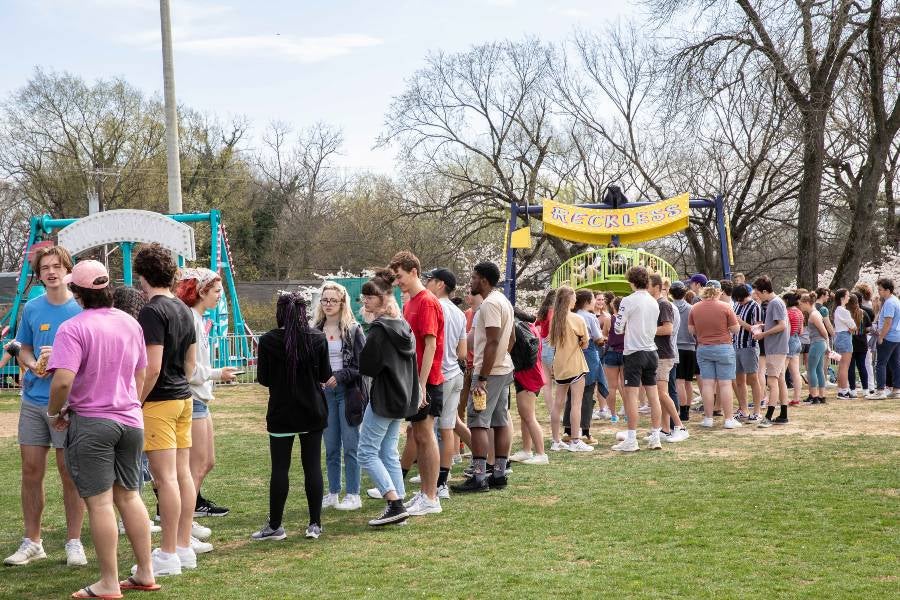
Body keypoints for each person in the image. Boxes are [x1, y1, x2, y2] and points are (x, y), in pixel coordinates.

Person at [44, 260, 159, 598]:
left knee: (99, 503)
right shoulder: (129, 322)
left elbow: (63, 381)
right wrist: (129, 403)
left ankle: (109, 582)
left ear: (77, 293)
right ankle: (145, 573)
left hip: (93, 422)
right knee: (129, 495)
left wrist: (54, 414)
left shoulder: (73, 327)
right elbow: (141, 373)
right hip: (130, 420)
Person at [5, 245, 87, 568]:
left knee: (69, 474)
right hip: (33, 401)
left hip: (68, 404)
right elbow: (23, 348)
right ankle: (33, 541)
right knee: (30, 471)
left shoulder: (81, 310)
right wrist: (32, 364)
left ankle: (74, 542)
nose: (51, 272)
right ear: (38, 275)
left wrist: (63, 364)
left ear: (68, 270)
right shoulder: (33, 308)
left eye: (57, 266)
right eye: (45, 268)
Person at [134, 243, 198, 575]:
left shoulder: (151, 311)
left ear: (142, 276)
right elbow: (190, 363)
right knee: (182, 475)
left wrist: (135, 400)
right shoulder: (184, 308)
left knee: (165, 479)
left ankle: (168, 554)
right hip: (183, 398)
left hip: (159, 401)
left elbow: (152, 367)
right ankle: (184, 548)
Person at [252, 292, 331, 541]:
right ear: (303, 312)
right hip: (312, 411)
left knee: (280, 469)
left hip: (281, 412)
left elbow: (264, 379)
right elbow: (324, 375)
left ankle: (275, 525)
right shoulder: (317, 338)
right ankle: (314, 524)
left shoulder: (267, 341)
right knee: (312, 467)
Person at [174, 268, 238, 524]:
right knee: (195, 467)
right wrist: (216, 373)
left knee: (206, 462)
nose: (219, 297)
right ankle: (182, 524)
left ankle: (187, 516)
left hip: (200, 398)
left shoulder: (198, 319)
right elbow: (188, 369)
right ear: (201, 292)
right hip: (192, 397)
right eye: (216, 292)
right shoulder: (190, 320)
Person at [357, 270, 420, 526]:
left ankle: (394, 502)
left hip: (384, 398)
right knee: (388, 452)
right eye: (364, 298)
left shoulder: (379, 330)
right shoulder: (403, 326)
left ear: (383, 298)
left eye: (370, 298)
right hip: (402, 397)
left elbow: (367, 366)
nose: (365, 302)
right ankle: (400, 506)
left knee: (366, 453)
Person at [452, 261, 517, 492]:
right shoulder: (504, 301)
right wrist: (500, 360)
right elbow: (512, 340)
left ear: (484, 280)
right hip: (503, 369)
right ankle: (498, 474)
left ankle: (479, 477)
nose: (471, 282)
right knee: (500, 421)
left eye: (474, 277)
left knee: (478, 422)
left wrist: (482, 378)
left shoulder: (489, 305)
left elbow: (492, 341)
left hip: (487, 372)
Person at [390, 251, 443, 516]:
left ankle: (432, 498)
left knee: (425, 435)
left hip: (428, 381)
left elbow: (431, 344)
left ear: (413, 272)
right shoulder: (410, 302)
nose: (397, 281)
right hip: (414, 381)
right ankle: (425, 493)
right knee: (419, 436)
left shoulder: (426, 302)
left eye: (399, 276)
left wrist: (421, 385)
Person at [312, 281, 366, 512]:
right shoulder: (314, 329)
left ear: (342, 302)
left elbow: (362, 365)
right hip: (324, 393)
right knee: (331, 446)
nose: (329, 304)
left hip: (348, 392)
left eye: (334, 300)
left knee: (351, 446)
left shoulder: (353, 329)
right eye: (325, 300)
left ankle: (353, 493)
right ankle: (333, 491)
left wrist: (341, 375)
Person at [424, 268, 468, 497]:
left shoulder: (432, 307)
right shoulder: (459, 313)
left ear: (440, 284)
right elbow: (463, 352)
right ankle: (442, 481)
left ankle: (430, 478)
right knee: (448, 428)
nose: (427, 284)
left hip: (436, 375)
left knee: (425, 429)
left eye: (429, 280)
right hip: (455, 374)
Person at [612, 266, 662, 452]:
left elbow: (618, 328)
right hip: (651, 351)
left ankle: (632, 439)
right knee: (653, 395)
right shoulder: (654, 301)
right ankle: (655, 436)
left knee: (631, 397)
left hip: (634, 352)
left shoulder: (628, 300)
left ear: (631, 282)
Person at [689, 284, 741, 429]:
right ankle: (729, 419)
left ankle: (708, 418)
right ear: (719, 292)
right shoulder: (725, 307)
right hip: (724, 347)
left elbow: (691, 330)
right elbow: (736, 329)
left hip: (704, 347)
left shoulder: (695, 308)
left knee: (707, 384)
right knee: (725, 384)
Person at [546, 286, 591, 452]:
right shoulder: (576, 319)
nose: (575, 301)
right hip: (575, 365)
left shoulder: (555, 320)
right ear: (568, 300)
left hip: (560, 365)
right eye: (573, 298)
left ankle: (556, 440)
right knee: (576, 404)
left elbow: (552, 344)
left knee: (558, 404)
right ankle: (575, 440)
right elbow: (585, 343)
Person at [648, 274, 689, 441]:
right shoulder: (655, 304)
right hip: (657, 354)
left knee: (662, 393)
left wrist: (645, 330)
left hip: (664, 355)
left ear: (657, 287)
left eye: (648, 285)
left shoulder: (664, 304)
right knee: (660, 394)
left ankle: (680, 426)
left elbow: (667, 329)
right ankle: (665, 429)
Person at [562, 290, 603, 444]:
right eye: (593, 299)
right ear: (587, 301)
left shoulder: (568, 315)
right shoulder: (590, 317)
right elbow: (597, 338)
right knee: (587, 393)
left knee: (570, 394)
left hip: (570, 355)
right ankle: (584, 431)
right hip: (588, 354)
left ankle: (567, 430)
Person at [509, 308, 549, 465]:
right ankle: (526, 450)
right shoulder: (528, 326)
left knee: (529, 416)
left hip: (528, 376)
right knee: (525, 415)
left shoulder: (519, 328)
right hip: (529, 374)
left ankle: (541, 453)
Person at [752, 276, 790, 427]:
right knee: (780, 381)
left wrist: (763, 334)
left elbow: (781, 326)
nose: (757, 296)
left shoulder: (775, 303)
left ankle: (768, 416)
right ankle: (783, 415)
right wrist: (763, 326)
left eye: (758, 293)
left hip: (776, 348)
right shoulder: (777, 302)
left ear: (765, 291)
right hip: (777, 347)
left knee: (772, 383)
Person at [731, 283, 763, 420]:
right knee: (739, 380)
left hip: (749, 346)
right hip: (736, 345)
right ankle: (743, 409)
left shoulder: (755, 306)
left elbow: (758, 330)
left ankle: (757, 411)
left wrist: (741, 323)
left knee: (753, 379)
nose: (739, 301)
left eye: (740, 299)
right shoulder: (737, 305)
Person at [867, 278, 900, 399]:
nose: (879, 292)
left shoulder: (889, 303)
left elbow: (888, 322)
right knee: (895, 363)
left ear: (887, 290)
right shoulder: (896, 300)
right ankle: (896, 390)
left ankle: (880, 391)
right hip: (896, 336)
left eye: (880, 289)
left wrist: (881, 337)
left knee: (880, 363)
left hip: (888, 336)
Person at [671, 281, 697, 422]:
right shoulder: (691, 308)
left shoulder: (670, 307)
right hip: (691, 347)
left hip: (677, 347)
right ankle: (687, 410)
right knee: (688, 382)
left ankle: (683, 411)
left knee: (679, 382)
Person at [800, 293, 829, 404]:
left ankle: (814, 395)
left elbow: (824, 331)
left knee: (811, 369)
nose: (801, 307)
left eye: (801, 304)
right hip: (819, 343)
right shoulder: (815, 313)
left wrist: (827, 344)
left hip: (817, 343)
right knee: (818, 369)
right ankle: (821, 395)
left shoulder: (813, 315)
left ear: (807, 303)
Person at [602, 297, 625, 423]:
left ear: (613, 306)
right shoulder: (627, 319)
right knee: (625, 385)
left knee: (612, 386)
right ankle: (627, 412)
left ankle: (613, 414)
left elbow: (604, 334)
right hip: (625, 353)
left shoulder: (608, 319)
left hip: (611, 353)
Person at [535, 290, 556, 421]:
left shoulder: (543, 310)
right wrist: (550, 335)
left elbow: (536, 324)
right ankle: (558, 412)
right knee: (561, 382)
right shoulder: (553, 310)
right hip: (551, 345)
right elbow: (553, 325)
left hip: (542, 345)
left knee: (547, 383)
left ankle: (551, 412)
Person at [832, 288, 857, 399]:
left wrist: (851, 328)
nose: (849, 297)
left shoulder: (837, 310)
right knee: (844, 366)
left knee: (841, 365)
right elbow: (853, 326)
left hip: (840, 336)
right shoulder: (843, 310)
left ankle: (841, 389)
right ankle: (844, 391)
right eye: (847, 295)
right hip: (844, 337)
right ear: (842, 298)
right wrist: (851, 328)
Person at [848, 292, 873, 396]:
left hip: (850, 342)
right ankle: (866, 389)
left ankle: (853, 390)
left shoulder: (847, 313)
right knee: (862, 366)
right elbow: (869, 328)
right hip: (862, 342)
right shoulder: (863, 313)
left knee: (851, 367)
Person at [784, 293, 805, 406]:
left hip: (789, 341)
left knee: (782, 372)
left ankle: (784, 397)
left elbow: (788, 330)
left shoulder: (788, 313)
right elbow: (801, 331)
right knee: (796, 372)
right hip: (797, 341)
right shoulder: (799, 312)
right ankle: (796, 398)